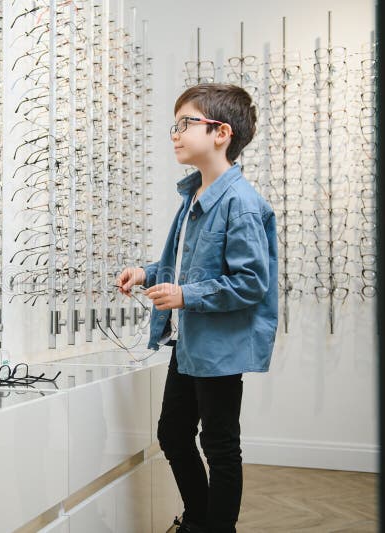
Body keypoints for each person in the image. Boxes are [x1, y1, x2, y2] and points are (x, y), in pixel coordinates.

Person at [116, 83, 278, 533]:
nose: (175, 133)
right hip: (189, 344)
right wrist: (148, 273)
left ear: (221, 132)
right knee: (173, 433)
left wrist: (185, 296)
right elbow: (183, 265)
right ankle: (201, 520)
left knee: (221, 444)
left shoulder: (242, 203)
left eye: (186, 123)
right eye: (175, 124)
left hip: (218, 349)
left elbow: (251, 283)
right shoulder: (192, 198)